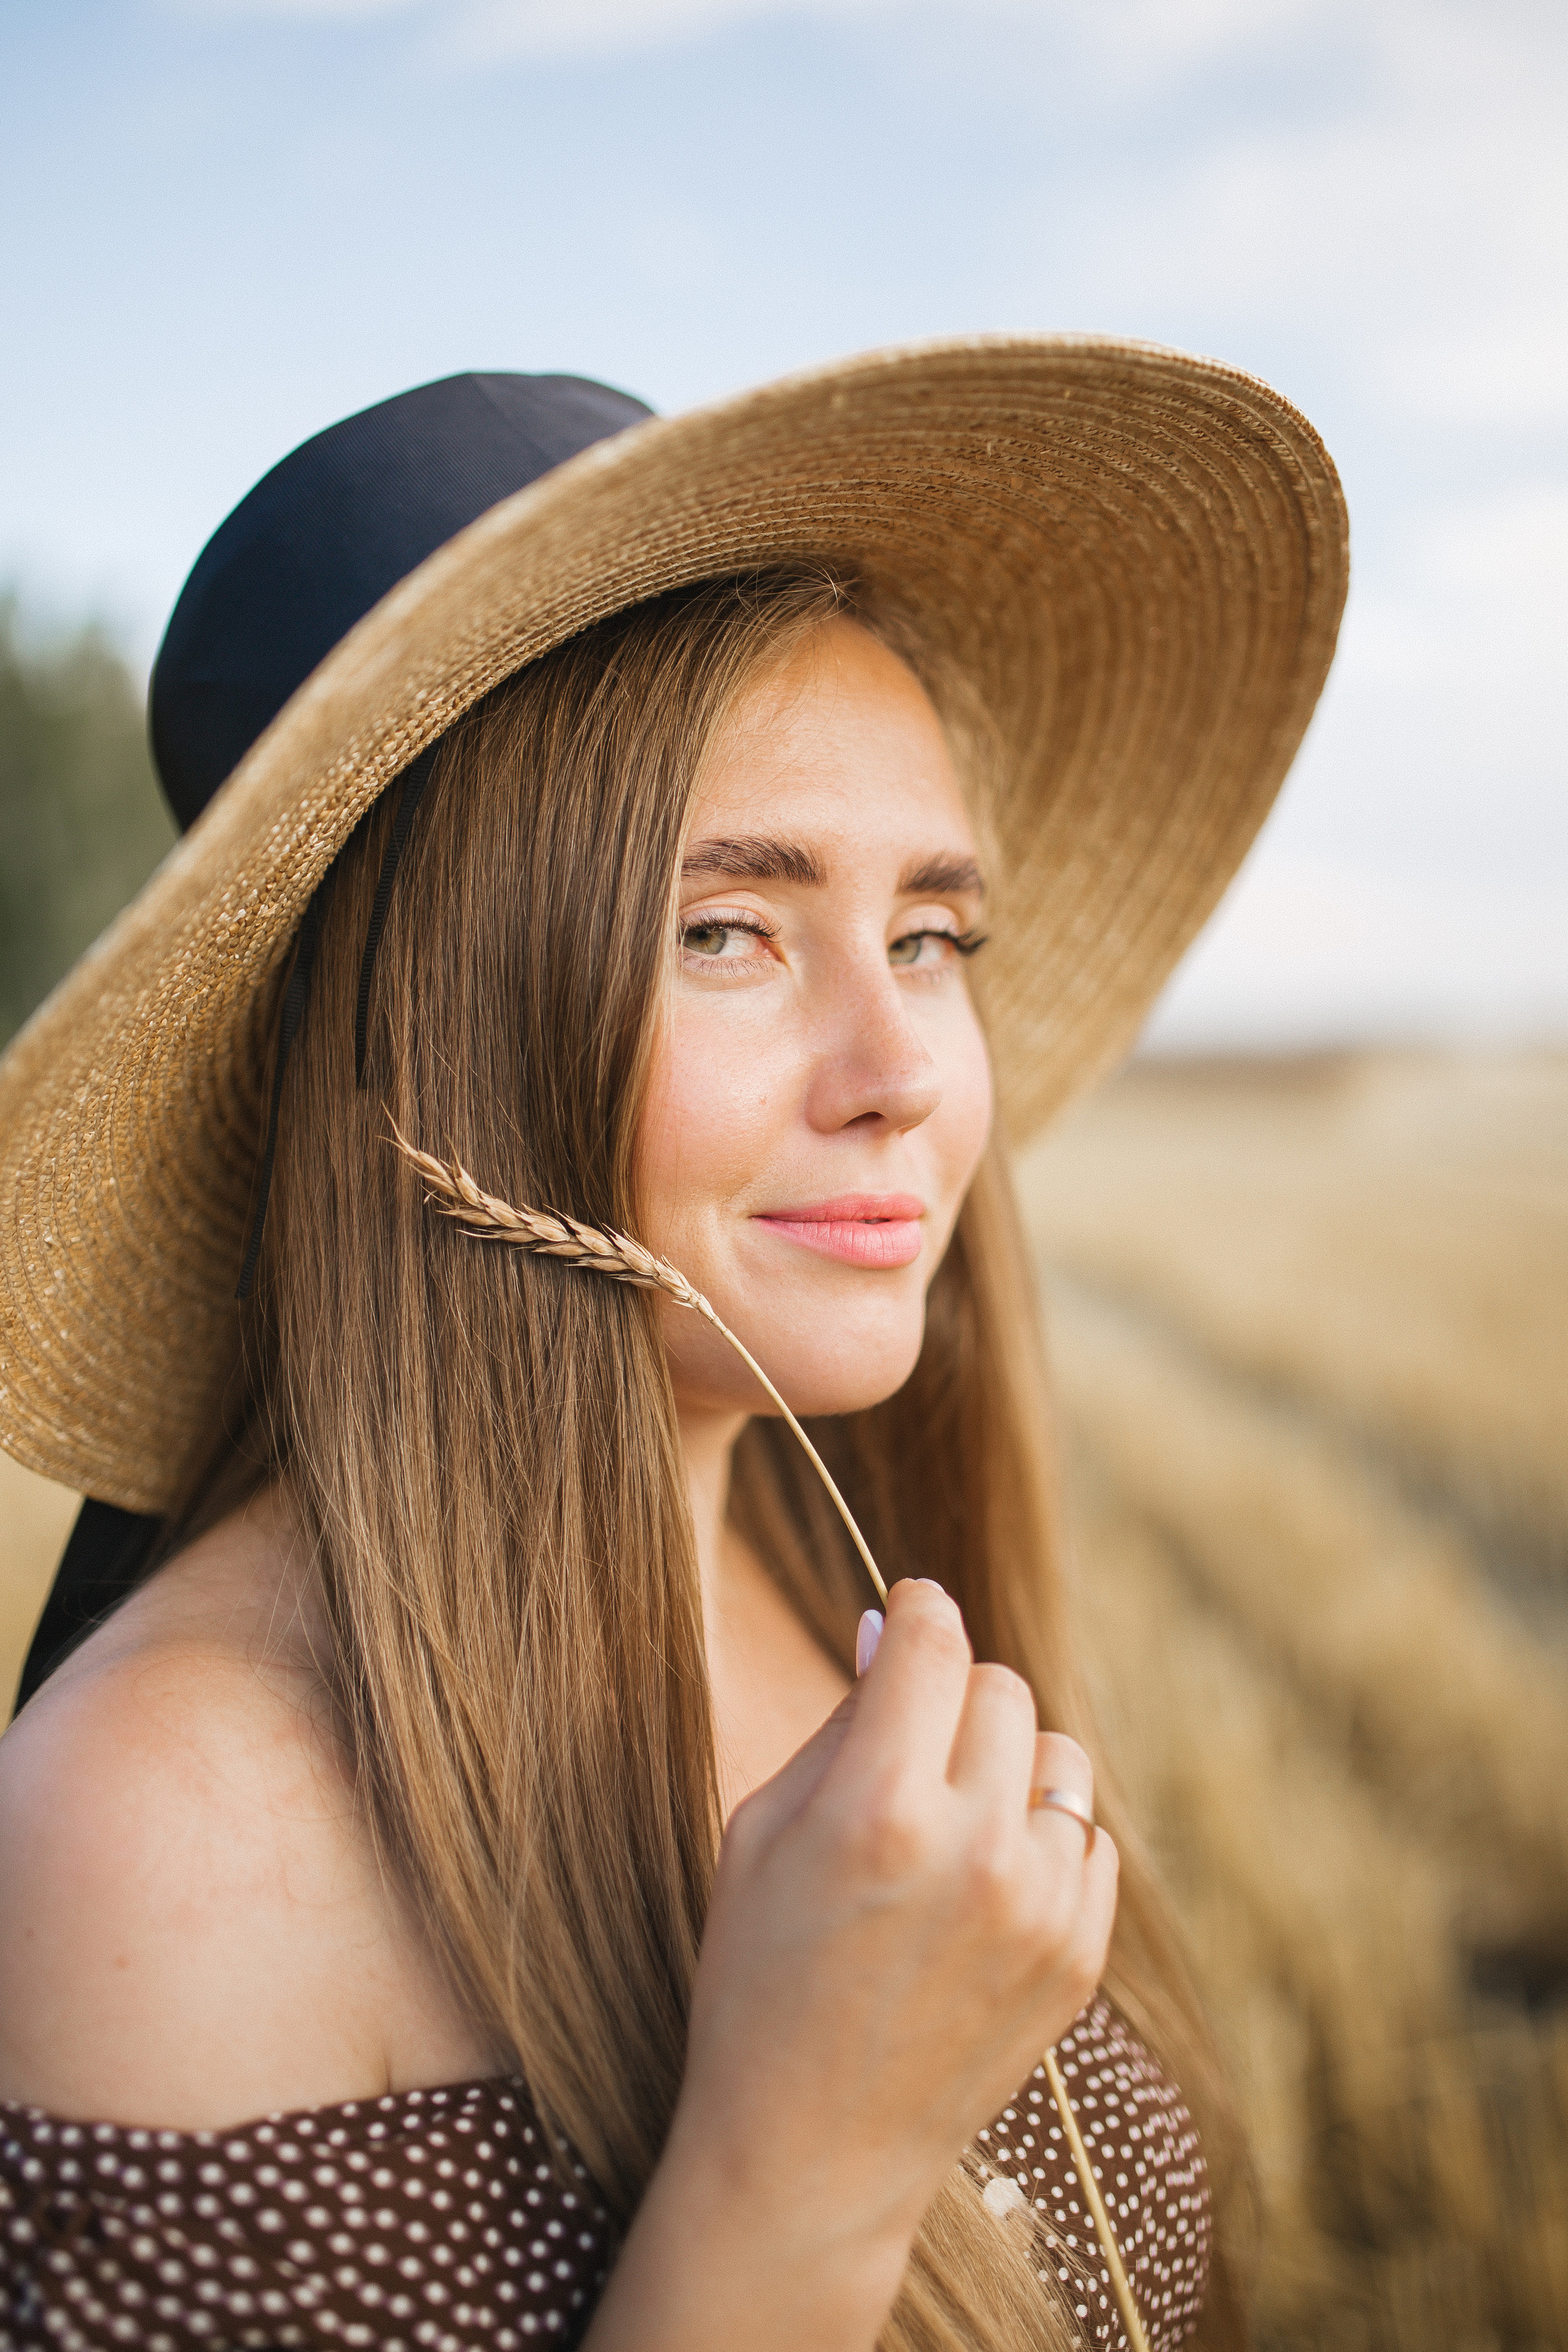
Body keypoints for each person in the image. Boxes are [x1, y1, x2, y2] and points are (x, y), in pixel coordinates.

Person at [0, 347, 1347, 2352]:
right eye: (729, 929)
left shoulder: (863, 1585)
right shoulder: (152, 1839)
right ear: (426, 1042)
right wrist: (797, 2174)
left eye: (930, 936)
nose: (904, 1074)